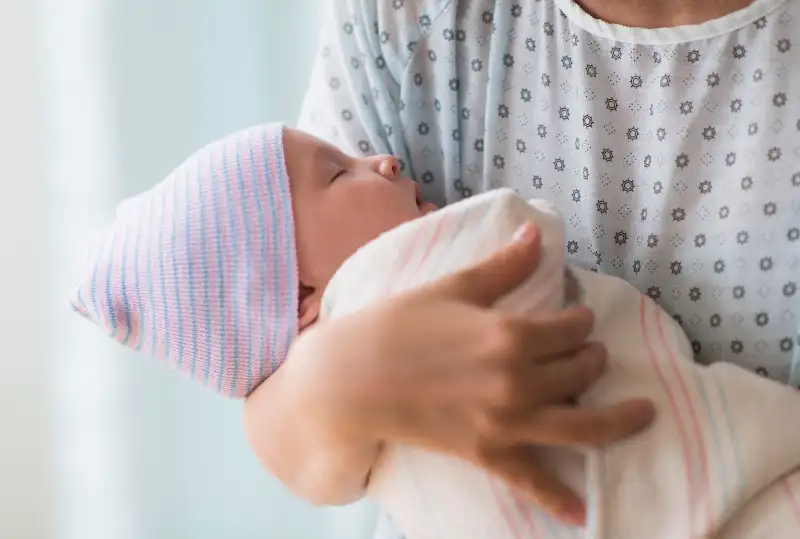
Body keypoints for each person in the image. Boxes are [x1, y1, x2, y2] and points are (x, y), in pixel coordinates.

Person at [244, 0, 800, 537]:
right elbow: (274, 398)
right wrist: (334, 382)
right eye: (343, 175)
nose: (380, 167)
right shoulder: (404, 17)